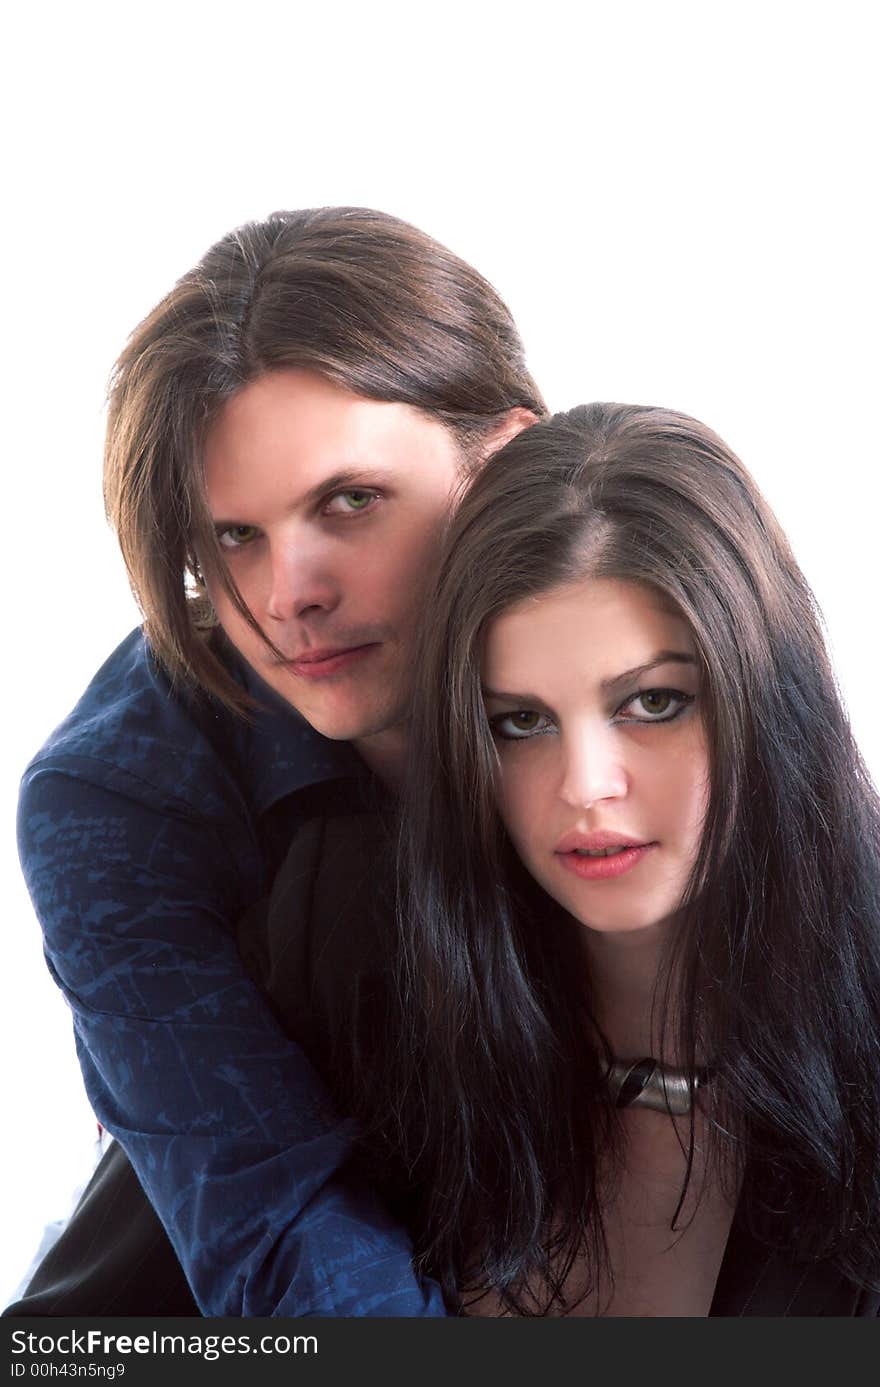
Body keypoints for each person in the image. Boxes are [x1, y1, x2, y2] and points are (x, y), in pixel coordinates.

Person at [13, 206, 543, 1316]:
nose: (284, 595)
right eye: (233, 538)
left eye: (349, 502)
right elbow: (286, 1244)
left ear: (503, 462)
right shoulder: (116, 795)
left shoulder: (665, 642)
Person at [245, 402, 880, 1314]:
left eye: (653, 703)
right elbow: (79, 1338)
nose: (585, 784)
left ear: (769, 701)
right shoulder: (343, 957)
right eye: (521, 721)